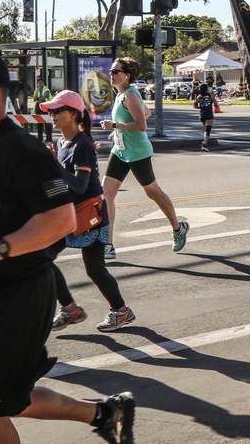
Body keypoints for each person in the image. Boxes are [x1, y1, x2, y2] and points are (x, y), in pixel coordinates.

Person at [0, 49, 135, 443]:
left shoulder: (22, 150)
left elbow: (60, 220)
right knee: (5, 398)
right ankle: (106, 413)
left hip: (18, 294)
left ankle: (105, 413)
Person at [42, 90, 135, 333]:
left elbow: (80, 185)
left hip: (89, 216)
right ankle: (70, 308)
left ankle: (119, 310)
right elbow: (61, 185)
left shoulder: (81, 144)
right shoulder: (62, 144)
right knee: (43, 258)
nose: (51, 114)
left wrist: (53, 166)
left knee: (94, 270)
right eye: (50, 111)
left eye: (56, 110)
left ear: (73, 114)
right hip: (70, 214)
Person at [100, 57, 188, 260]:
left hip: (137, 152)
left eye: (115, 72)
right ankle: (108, 244)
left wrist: (115, 126)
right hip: (121, 151)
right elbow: (145, 112)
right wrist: (119, 131)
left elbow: (142, 125)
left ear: (127, 76)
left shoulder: (130, 94)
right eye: (111, 71)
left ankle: (178, 228)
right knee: (107, 195)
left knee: (154, 193)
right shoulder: (120, 93)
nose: (111, 75)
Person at [192, 84, 215, 152]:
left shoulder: (199, 96)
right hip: (209, 114)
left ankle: (205, 141)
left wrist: (201, 107)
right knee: (207, 130)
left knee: (206, 128)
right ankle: (204, 145)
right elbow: (216, 104)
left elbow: (194, 106)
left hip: (202, 115)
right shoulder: (210, 95)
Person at [32, 77, 53, 143]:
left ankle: (49, 138)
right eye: (39, 83)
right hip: (38, 108)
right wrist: (37, 92)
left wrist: (38, 99)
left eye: (41, 83)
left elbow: (44, 98)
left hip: (46, 107)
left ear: (43, 83)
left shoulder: (46, 89)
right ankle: (40, 137)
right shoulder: (37, 90)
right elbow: (34, 99)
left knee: (47, 124)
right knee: (39, 123)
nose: (40, 84)